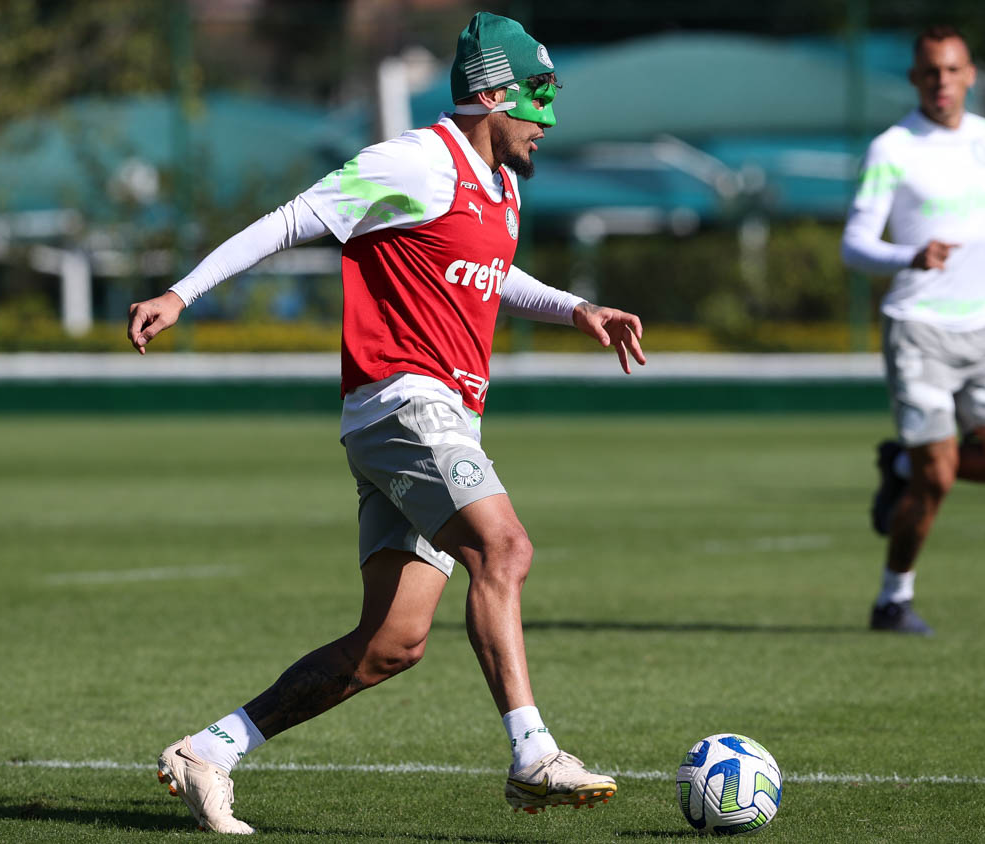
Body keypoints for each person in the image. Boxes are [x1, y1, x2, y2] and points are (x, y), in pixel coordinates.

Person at [127, 12, 644, 834]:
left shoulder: (501, 186)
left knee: (393, 642)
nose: (548, 119)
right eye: (538, 97)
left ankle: (209, 751)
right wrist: (180, 294)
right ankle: (534, 755)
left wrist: (577, 309)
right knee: (504, 548)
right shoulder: (413, 161)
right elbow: (292, 219)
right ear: (491, 96)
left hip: (441, 420)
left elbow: (491, 276)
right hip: (403, 404)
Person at [841, 25, 985, 636]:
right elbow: (856, 244)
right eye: (930, 71)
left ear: (970, 76)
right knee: (939, 475)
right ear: (915, 78)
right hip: (917, 330)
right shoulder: (893, 148)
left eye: (953, 70)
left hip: (980, 330)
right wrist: (908, 255)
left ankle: (903, 468)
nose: (942, 82)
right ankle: (893, 601)